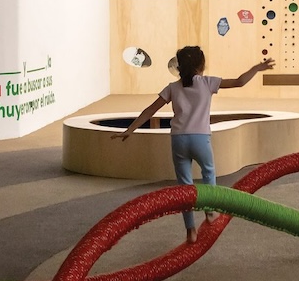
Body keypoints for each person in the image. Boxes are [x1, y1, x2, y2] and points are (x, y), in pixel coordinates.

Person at [114, 47, 274, 243]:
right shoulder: (207, 82)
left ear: (179, 67)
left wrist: (130, 129)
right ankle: (210, 211)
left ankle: (190, 230)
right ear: (201, 66)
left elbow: (150, 110)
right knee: (208, 172)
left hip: (179, 139)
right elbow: (239, 82)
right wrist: (257, 68)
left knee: (184, 185)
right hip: (200, 138)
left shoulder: (172, 87)